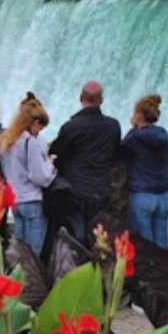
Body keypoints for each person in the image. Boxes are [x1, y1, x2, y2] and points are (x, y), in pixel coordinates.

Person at [49, 81, 122, 248]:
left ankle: (79, 270)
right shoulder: (113, 126)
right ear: (101, 100)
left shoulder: (71, 126)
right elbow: (115, 152)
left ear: (81, 98)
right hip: (102, 190)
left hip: (76, 190)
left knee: (77, 236)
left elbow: (58, 153)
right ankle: (98, 270)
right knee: (98, 237)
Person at [0, 93, 56, 256]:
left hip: (16, 202)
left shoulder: (7, 142)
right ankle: (31, 282)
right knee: (33, 255)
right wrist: (50, 165)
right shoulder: (31, 143)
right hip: (33, 201)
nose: (39, 132)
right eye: (40, 128)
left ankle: (17, 281)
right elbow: (40, 177)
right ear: (34, 122)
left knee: (20, 254)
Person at [122, 94, 168, 247]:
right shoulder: (163, 135)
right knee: (161, 247)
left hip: (141, 196)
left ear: (138, 114)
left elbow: (119, 153)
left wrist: (134, 127)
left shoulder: (133, 137)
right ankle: (165, 271)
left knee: (146, 248)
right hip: (163, 196)